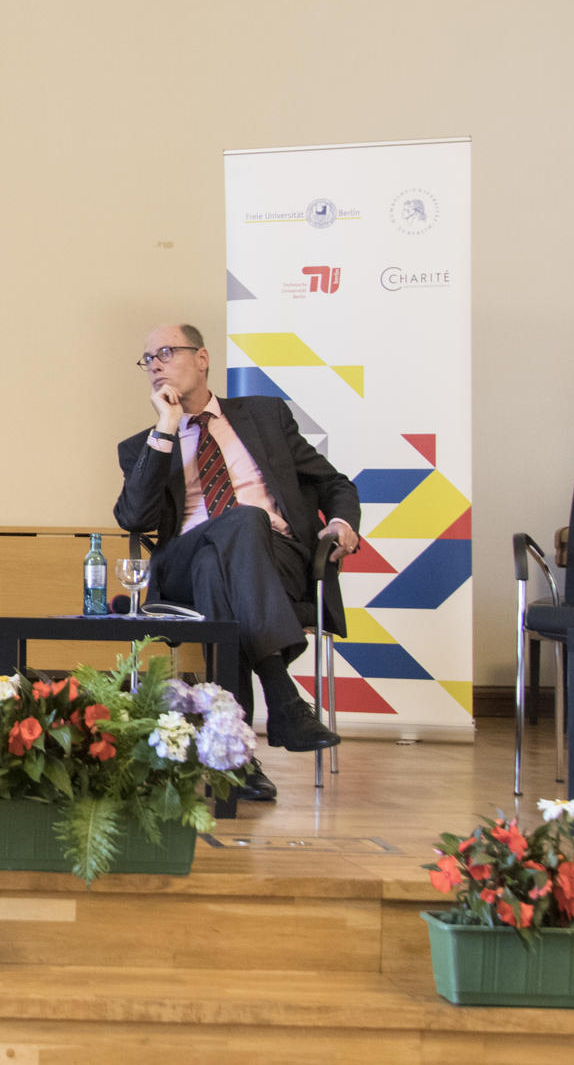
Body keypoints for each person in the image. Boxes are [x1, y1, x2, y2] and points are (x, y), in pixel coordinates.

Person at [114, 323, 359, 802]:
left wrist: (343, 524)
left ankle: (236, 757)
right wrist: (166, 429)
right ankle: (281, 694)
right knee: (237, 527)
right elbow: (133, 518)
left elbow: (335, 484)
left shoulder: (265, 416)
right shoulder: (142, 445)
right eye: (147, 359)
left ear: (202, 358)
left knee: (230, 548)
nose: (155, 364)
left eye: (166, 352)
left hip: (277, 558)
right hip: (182, 563)